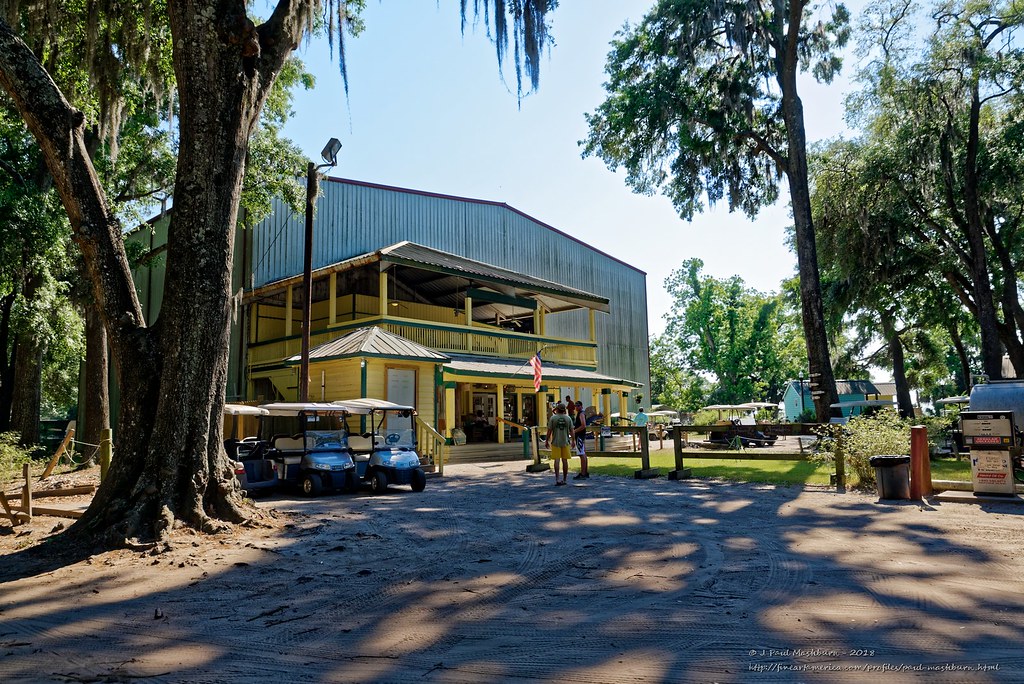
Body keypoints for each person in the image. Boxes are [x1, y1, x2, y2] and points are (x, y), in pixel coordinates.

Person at [545, 402, 574, 486]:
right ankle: (564, 479)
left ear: (557, 409)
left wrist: (546, 440)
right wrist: (573, 440)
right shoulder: (568, 418)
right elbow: (572, 430)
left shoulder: (553, 418)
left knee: (556, 460)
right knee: (565, 460)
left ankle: (557, 479)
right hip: (565, 441)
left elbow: (549, 430)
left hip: (555, 442)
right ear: (564, 410)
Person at [573, 400, 589, 479]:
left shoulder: (581, 413)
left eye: (578, 405)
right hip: (580, 436)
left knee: (581, 454)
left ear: (581, 406)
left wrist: (574, 431)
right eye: (575, 405)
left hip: (579, 436)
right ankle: (585, 472)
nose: (576, 407)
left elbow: (583, 425)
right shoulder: (581, 413)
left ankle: (583, 473)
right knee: (583, 454)